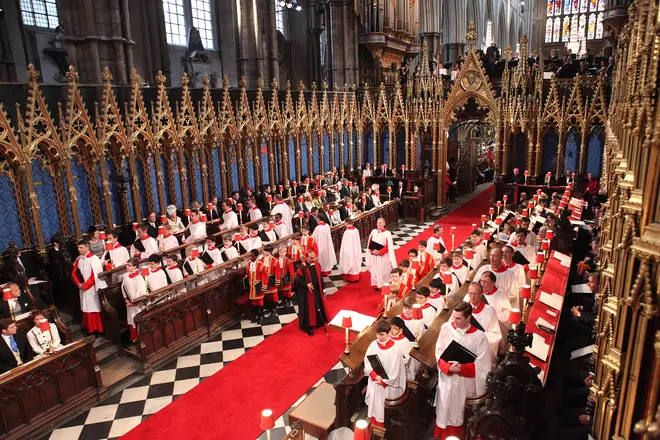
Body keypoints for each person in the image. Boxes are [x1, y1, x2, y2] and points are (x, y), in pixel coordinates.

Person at [434, 302, 491, 439]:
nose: (454, 321)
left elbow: (483, 367)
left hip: (464, 384)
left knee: (458, 413)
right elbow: (439, 351)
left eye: (458, 318)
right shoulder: (446, 328)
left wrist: (460, 369)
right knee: (444, 411)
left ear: (468, 318)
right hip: (447, 379)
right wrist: (447, 367)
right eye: (453, 317)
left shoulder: (480, 337)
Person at [363, 320, 407, 428]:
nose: (379, 337)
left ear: (388, 333)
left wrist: (383, 381)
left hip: (387, 385)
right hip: (375, 381)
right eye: (377, 334)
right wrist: (374, 375)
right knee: (374, 409)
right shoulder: (373, 345)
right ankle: (373, 427)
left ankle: (381, 429)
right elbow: (367, 361)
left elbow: (395, 371)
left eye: (382, 334)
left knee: (382, 409)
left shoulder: (395, 349)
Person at [72, 240, 106, 335]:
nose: (79, 249)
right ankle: (87, 327)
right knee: (85, 307)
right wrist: (78, 283)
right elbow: (73, 272)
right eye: (78, 248)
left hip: (91, 288)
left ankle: (97, 330)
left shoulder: (94, 259)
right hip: (82, 287)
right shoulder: (79, 259)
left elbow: (94, 275)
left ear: (87, 247)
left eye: (81, 247)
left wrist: (85, 286)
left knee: (93, 308)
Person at [465, 282, 501, 363]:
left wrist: (479, 341)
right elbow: (453, 327)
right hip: (465, 347)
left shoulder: (490, 310)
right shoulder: (462, 309)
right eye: (470, 294)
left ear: (481, 294)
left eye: (475, 294)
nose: (472, 297)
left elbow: (495, 334)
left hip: (482, 349)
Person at [295, 250, 329, 336]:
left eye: (314, 257)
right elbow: (298, 281)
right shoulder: (302, 268)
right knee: (309, 310)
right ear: (307, 257)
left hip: (317, 290)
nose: (313, 259)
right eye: (311, 258)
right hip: (307, 293)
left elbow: (320, 278)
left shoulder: (317, 264)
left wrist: (323, 289)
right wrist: (306, 284)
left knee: (318, 306)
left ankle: (318, 322)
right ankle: (308, 327)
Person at [365, 218, 397, 290]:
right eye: (377, 222)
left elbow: (388, 246)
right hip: (374, 255)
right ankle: (376, 284)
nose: (378, 224)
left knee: (383, 270)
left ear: (384, 223)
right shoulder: (374, 232)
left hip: (383, 255)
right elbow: (369, 242)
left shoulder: (387, 233)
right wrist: (371, 251)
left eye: (380, 223)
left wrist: (380, 252)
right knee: (375, 270)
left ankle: (384, 284)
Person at [121, 259, 148, 341]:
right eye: (127, 265)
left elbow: (141, 291)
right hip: (129, 303)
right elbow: (123, 288)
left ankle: (142, 340)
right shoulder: (126, 276)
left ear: (135, 266)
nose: (127, 267)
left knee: (138, 321)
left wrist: (134, 303)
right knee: (132, 322)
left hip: (137, 305)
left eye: (129, 265)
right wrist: (126, 300)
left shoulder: (139, 278)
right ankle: (134, 339)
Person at [338, 217, 361, 282]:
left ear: (347, 223)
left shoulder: (347, 232)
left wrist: (343, 251)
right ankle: (356, 276)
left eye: (344, 222)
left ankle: (350, 277)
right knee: (354, 262)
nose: (344, 224)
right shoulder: (355, 230)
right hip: (355, 250)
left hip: (349, 251)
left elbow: (345, 244)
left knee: (349, 261)